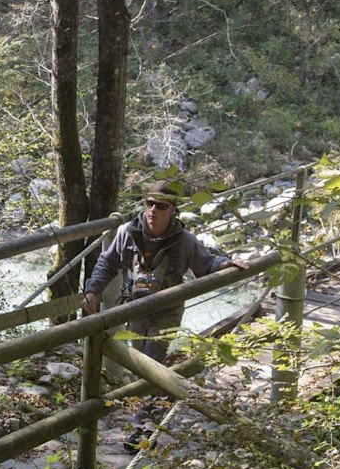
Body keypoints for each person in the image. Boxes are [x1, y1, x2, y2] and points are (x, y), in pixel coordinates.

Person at [81, 180, 245, 451]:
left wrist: (225, 263)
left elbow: (205, 263)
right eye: (149, 203)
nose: (153, 210)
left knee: (151, 363)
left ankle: (143, 427)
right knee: (139, 364)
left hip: (167, 311)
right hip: (135, 307)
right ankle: (155, 408)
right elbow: (107, 263)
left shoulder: (184, 240)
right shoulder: (126, 232)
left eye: (161, 206)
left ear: (173, 210)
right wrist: (93, 290)